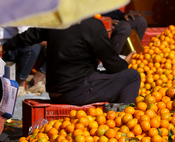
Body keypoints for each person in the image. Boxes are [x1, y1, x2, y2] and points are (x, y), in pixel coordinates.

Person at [0, 17, 141, 106]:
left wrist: (4, 47)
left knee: (102, 75)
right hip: (77, 91)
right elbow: (113, 66)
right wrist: (125, 63)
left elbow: (28, 36)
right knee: (131, 76)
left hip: (55, 92)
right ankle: (123, 124)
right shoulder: (93, 25)